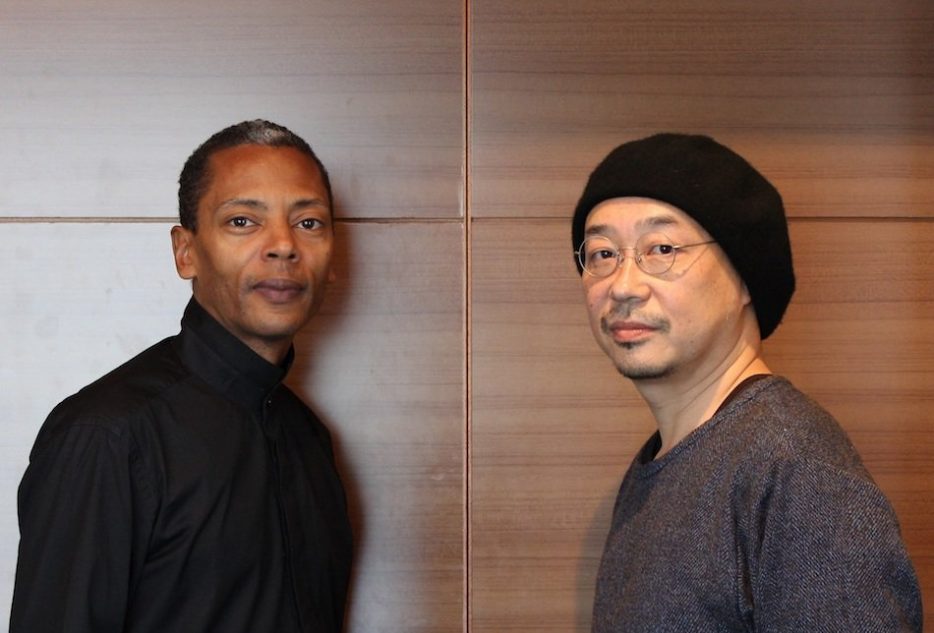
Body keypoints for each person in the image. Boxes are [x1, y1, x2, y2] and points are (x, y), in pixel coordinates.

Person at [10, 119, 353, 633]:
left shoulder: (310, 439)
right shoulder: (107, 435)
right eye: (243, 221)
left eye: (308, 223)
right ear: (185, 251)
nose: (284, 245)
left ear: (332, 256)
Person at [571, 133, 922, 631]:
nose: (623, 286)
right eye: (603, 254)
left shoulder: (796, 471)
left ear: (743, 277)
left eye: (662, 248)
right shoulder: (659, 465)